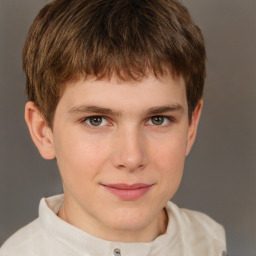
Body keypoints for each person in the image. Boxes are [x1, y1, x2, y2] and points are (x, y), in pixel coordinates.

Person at [0, 0, 227, 255]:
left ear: (190, 127)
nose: (131, 158)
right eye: (95, 120)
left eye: (158, 119)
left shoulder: (210, 241)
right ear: (44, 132)